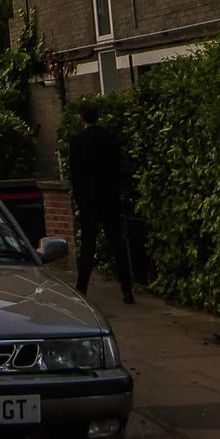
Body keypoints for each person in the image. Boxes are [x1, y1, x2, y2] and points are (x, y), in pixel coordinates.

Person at [67, 104, 132, 303]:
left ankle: (82, 287)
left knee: (88, 246)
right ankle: (127, 289)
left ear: (81, 117)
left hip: (89, 201)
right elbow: (118, 168)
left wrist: (79, 200)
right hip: (109, 197)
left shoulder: (77, 141)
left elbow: (75, 175)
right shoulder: (111, 138)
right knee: (117, 244)